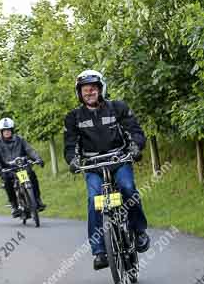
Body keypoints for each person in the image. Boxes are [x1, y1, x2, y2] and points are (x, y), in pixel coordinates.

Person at [63, 69, 150, 270]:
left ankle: (139, 231)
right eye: (85, 90)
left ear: (101, 89)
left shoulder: (118, 108)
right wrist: (73, 160)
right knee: (94, 201)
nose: (89, 92)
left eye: (93, 88)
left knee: (128, 187)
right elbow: (70, 144)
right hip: (93, 166)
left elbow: (134, 131)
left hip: (119, 159)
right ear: (79, 93)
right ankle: (100, 252)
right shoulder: (73, 117)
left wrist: (136, 146)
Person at [0, 117, 46, 217]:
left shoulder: (20, 139)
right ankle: (14, 205)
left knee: (32, 175)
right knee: (7, 181)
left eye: (9, 130)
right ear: (1, 132)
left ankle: (37, 200)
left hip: (22, 167)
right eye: (4, 131)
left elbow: (30, 150)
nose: (7, 132)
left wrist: (38, 159)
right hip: (8, 169)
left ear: (12, 130)